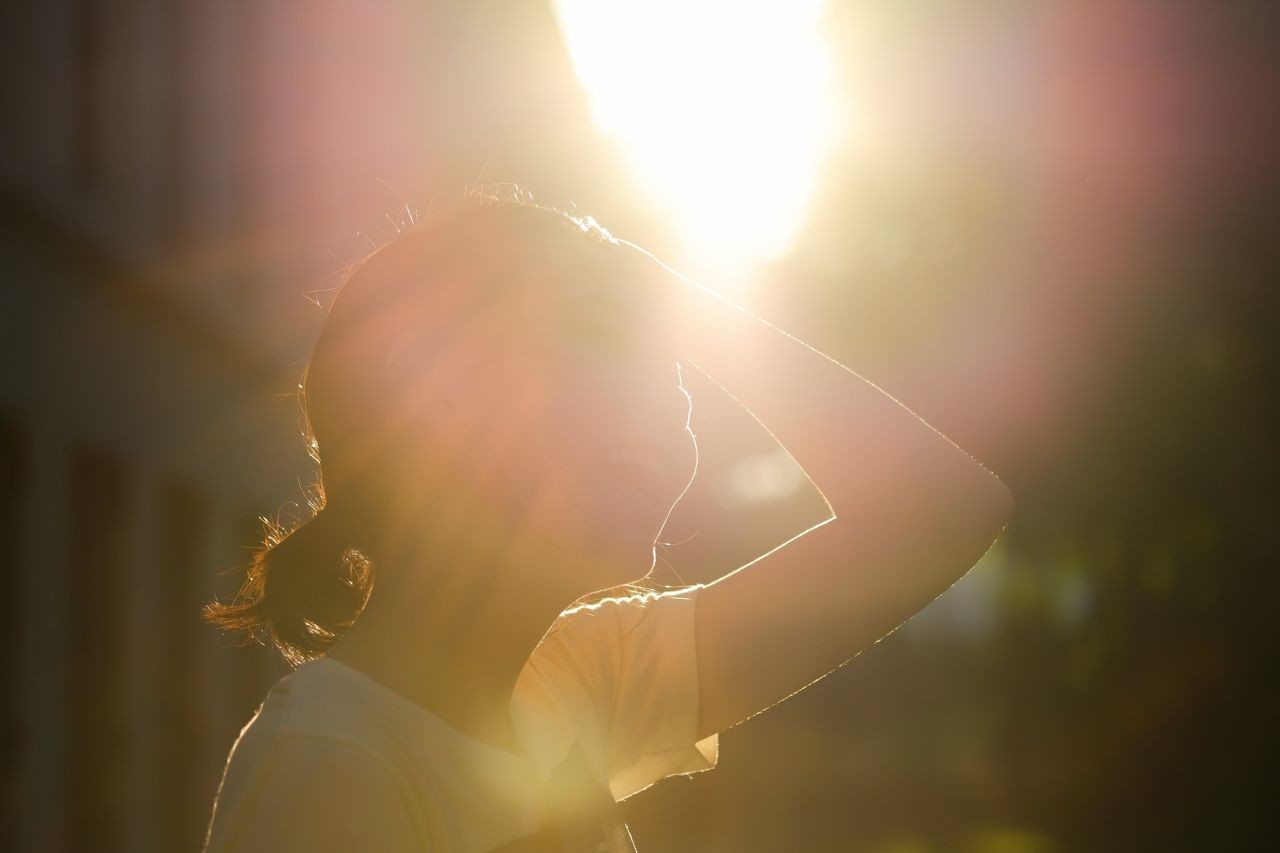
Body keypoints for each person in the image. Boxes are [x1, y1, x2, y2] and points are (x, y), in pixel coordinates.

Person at [202, 192, 1012, 852]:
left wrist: (667, 290)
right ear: (439, 400)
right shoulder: (328, 768)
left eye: (673, 363)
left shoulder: (576, 677)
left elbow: (945, 511)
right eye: (601, 336)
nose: (673, 403)